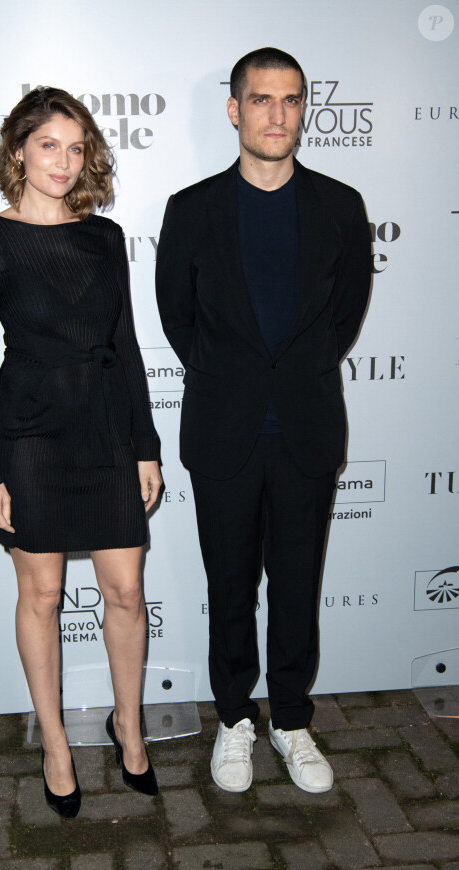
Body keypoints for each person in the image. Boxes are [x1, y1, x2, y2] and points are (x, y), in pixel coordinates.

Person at [156, 48, 371, 794]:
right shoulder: (191, 209)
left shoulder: (341, 206)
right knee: (230, 588)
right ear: (234, 110)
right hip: (224, 431)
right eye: (261, 99)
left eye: (290, 100)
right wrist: (237, 377)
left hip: (307, 430)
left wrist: (292, 375)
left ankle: (290, 719)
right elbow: (177, 318)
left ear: (303, 109)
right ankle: (234, 721)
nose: (276, 114)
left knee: (298, 586)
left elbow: (343, 318)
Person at [0, 87, 162, 817]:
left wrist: (146, 446)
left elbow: (128, 348)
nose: (64, 162)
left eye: (77, 148)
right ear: (19, 149)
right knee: (40, 596)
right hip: (31, 437)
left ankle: (130, 727)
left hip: (107, 433)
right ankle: (54, 744)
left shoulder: (104, 239)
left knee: (127, 593)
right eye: (50, 145)